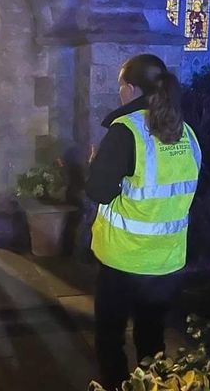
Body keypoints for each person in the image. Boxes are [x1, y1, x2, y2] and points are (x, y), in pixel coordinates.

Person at [86, 54, 202, 389]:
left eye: (121, 85)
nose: (119, 92)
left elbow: (99, 191)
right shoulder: (188, 134)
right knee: (152, 341)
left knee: (109, 340)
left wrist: (96, 164)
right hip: (166, 261)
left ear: (131, 89)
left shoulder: (127, 131)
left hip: (122, 261)